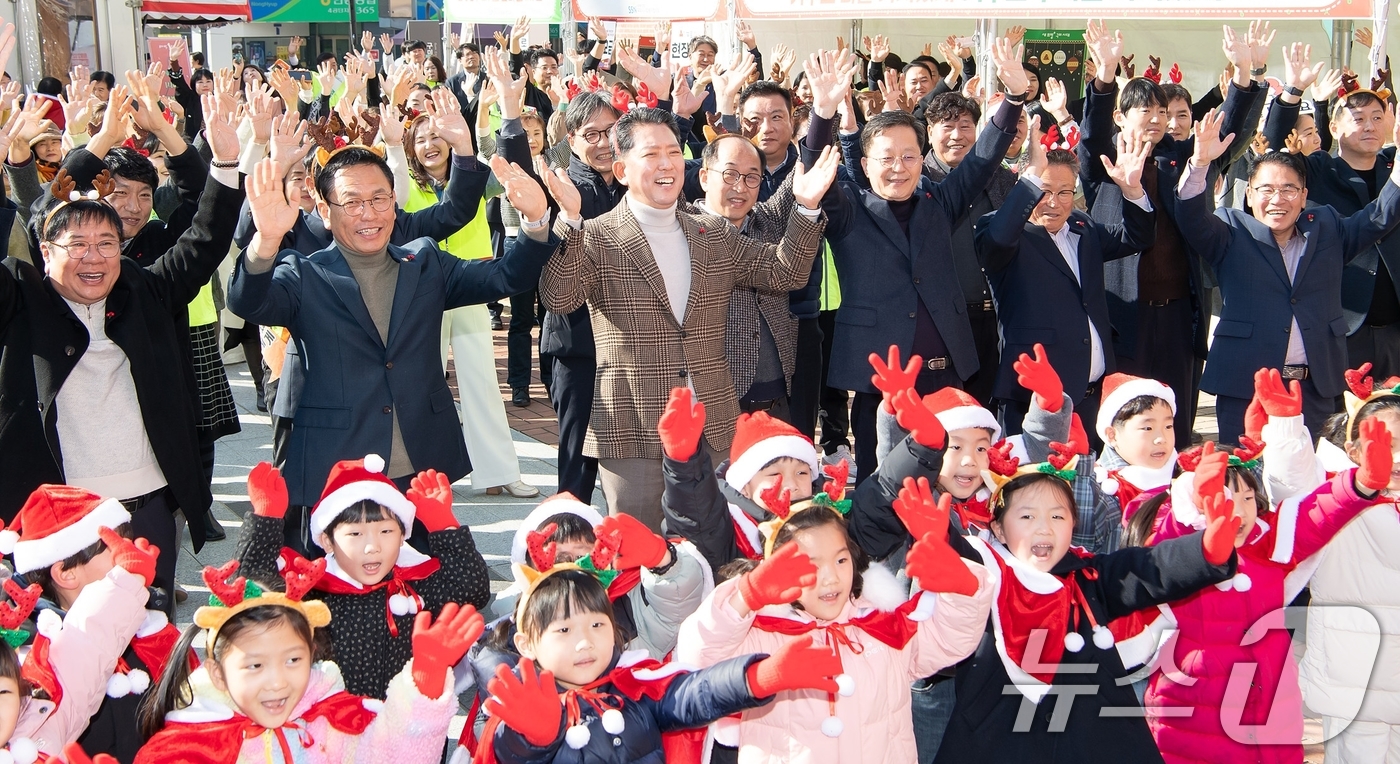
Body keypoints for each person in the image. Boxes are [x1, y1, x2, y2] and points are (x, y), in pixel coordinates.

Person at [537, 105, 836, 532]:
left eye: (674, 152)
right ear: (621, 169)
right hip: (633, 428)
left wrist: (805, 209)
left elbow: (784, 271)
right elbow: (558, 297)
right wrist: (569, 220)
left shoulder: (711, 232)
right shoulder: (597, 234)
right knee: (639, 556)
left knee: (720, 546)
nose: (666, 164)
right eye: (651, 154)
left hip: (714, 424)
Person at [227, 130, 558, 515]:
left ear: (394, 201)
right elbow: (247, 301)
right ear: (324, 210)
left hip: (419, 467)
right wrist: (267, 241)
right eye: (351, 202)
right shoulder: (303, 274)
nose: (369, 214)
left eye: (379, 199)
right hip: (337, 468)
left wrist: (535, 222)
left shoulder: (424, 262)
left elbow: (504, 277)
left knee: (424, 569)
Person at [0, 83, 244, 599]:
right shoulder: (21, 298)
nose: (94, 257)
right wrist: (97, 140)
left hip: (149, 500)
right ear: (46, 251)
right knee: (64, 647)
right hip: (61, 509)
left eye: (106, 244)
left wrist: (224, 162)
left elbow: (203, 241)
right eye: (78, 245)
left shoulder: (143, 286)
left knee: (149, 635)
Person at [816, 34, 1030, 486]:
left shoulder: (938, 201)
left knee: (953, 484)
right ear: (866, 163)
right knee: (887, 489)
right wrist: (822, 114)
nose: (899, 167)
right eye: (887, 158)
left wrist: (1012, 100)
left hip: (947, 375)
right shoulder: (848, 209)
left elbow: (981, 162)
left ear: (922, 158)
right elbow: (815, 164)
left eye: (909, 156)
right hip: (884, 386)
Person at [674, 477, 993, 763]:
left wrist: (962, 586)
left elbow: (948, 641)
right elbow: (700, 659)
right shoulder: (762, 633)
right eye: (811, 564)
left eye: (840, 560)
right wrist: (745, 597)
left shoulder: (881, 626)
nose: (830, 578)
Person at [934, 467, 1238, 763]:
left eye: (1057, 515)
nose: (1044, 527)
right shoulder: (987, 574)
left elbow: (1149, 567)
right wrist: (940, 537)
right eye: (1027, 516)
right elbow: (959, 559)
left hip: (1097, 739)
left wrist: (1204, 551)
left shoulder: (1090, 575)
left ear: (1073, 524)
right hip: (997, 740)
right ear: (998, 527)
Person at [1138, 428, 1391, 764]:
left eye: (1247, 499)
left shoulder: (1268, 545)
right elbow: (1162, 559)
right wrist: (1193, 518)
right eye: (1226, 498)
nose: (1240, 512)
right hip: (1196, 705)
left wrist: (1360, 485)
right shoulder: (1184, 551)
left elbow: (1316, 513)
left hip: (1272, 701)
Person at [1080, 21, 1267, 450]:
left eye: (1163, 112)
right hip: (1124, 315)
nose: (1157, 119)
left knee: (1176, 423)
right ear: (1121, 117)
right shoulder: (1103, 164)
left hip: (1179, 313)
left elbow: (1225, 135)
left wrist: (1242, 77)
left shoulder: (1177, 160)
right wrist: (1106, 74)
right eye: (1146, 110)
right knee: (1127, 420)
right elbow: (1090, 133)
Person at [472, 554, 832, 763]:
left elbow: (694, 692)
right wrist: (534, 738)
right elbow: (505, 751)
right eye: (564, 631)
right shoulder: (523, 704)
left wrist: (758, 677)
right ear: (527, 643)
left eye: (597, 624)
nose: (585, 643)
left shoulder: (634, 684)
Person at [1174, 112, 1400, 444]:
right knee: (1248, 482)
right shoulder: (1231, 231)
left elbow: (1378, 218)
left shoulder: (1326, 227)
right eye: (1266, 190)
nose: (1278, 199)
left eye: (1288, 189)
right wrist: (1199, 163)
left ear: (1305, 195)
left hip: (1315, 388)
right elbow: (1191, 217)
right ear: (1249, 195)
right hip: (1246, 387)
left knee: (1313, 483)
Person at [135, 560, 483, 763]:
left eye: (293, 659)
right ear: (218, 673)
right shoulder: (187, 748)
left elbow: (391, 755)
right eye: (255, 665)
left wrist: (427, 679)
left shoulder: (332, 718)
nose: (277, 681)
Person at [235, 458, 491, 699]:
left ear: (403, 536)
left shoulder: (414, 584)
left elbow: (473, 590)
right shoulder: (314, 591)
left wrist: (443, 525)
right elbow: (250, 591)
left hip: (409, 725)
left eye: (386, 531)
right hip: (335, 730)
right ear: (327, 541)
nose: (372, 546)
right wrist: (264, 523)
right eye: (355, 533)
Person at [977, 129, 1157, 438]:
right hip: (1034, 400)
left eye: (1065, 192)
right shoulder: (1000, 229)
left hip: (1094, 397)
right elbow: (998, 240)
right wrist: (1031, 180)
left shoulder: (1082, 227)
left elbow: (1137, 237)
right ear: (1028, 184)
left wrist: (1132, 190)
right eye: (1044, 191)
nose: (1054, 203)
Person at [403, 99, 539, 499]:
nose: (430, 145)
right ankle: (418, 476)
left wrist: (507, 108)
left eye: (436, 136)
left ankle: (499, 470)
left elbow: (513, 172)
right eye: (421, 139)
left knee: (480, 379)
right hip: (417, 292)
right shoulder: (402, 184)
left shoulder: (474, 177)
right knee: (418, 384)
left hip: (467, 288)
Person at [3, 484, 172, 763]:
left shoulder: (150, 625)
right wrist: (126, 582)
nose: (131, 552)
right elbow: (88, 641)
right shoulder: (34, 657)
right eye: (115, 547)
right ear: (66, 574)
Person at [1264, 43, 1400, 379]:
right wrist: (1293, 92)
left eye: (1377, 117)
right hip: (1343, 323)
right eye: (1358, 119)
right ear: (1334, 129)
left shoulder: (1393, 164)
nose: (1369, 126)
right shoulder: (1319, 169)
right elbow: (1271, 144)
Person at [920, 92, 1020, 408]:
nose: (957, 135)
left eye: (965, 126)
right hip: (943, 322)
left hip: (995, 318)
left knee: (989, 410)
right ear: (929, 130)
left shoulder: (1001, 179)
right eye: (947, 125)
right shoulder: (916, 182)